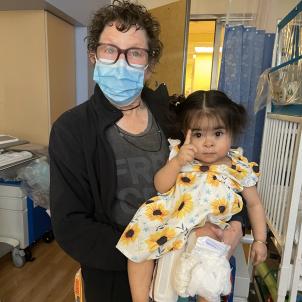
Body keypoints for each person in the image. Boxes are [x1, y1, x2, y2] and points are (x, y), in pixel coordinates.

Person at [49, 1, 244, 302]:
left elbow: (217, 163)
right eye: (110, 50)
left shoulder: (172, 117)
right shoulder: (72, 130)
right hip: (114, 275)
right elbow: (71, 226)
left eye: (135, 53)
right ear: (93, 55)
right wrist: (145, 252)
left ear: (149, 63)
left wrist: (232, 226)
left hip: (184, 266)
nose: (121, 62)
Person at [117, 90, 267, 302]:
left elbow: (254, 205)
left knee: (209, 264)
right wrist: (177, 162)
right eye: (198, 134)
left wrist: (260, 240)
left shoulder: (239, 167)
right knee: (137, 246)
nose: (208, 143)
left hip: (209, 226)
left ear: (232, 132)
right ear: (185, 132)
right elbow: (160, 185)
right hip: (171, 219)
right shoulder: (180, 154)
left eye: (217, 133)